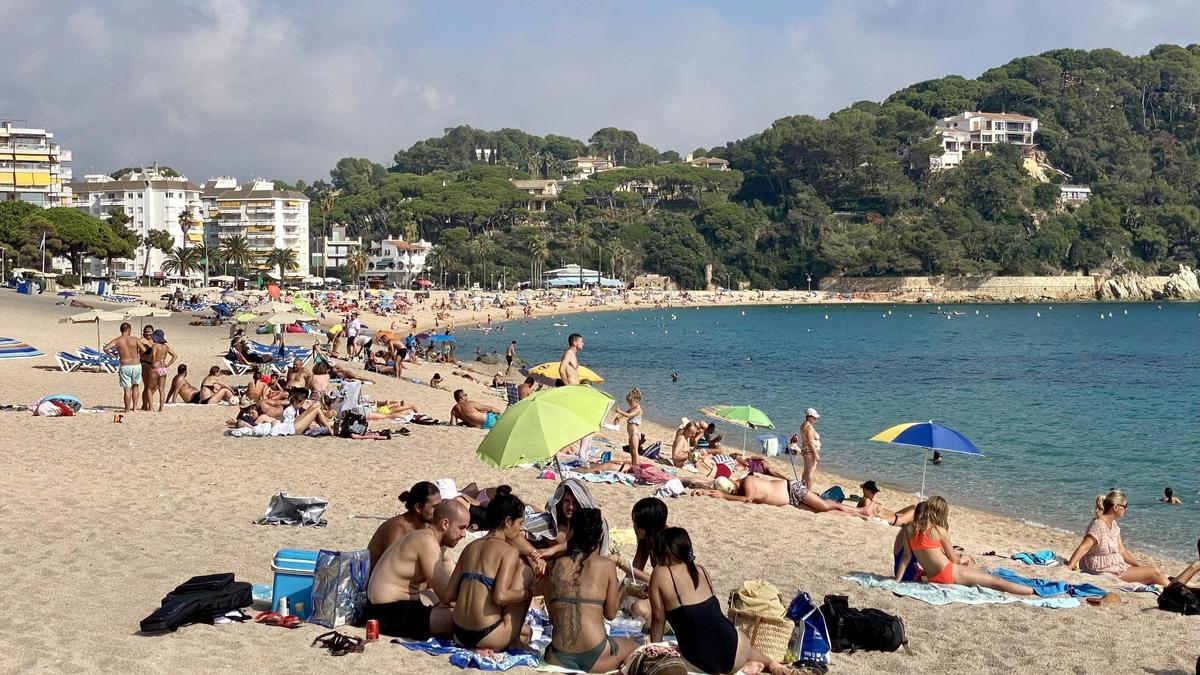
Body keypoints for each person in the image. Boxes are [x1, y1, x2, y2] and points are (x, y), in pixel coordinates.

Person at [648, 528, 788, 675]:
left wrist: (653, 652)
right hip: (738, 649)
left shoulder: (660, 572)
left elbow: (658, 618)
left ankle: (746, 669)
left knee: (674, 656)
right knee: (738, 645)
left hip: (702, 660)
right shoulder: (700, 570)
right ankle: (771, 664)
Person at [539, 508, 637, 672]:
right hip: (597, 654)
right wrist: (624, 590)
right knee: (636, 646)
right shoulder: (606, 566)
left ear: (571, 532)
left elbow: (552, 614)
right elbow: (611, 614)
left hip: (558, 656)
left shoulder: (552, 566)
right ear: (600, 536)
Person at [445, 487, 536, 651]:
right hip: (488, 635)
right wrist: (528, 593)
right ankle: (514, 640)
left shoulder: (470, 547)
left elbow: (449, 596)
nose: (521, 529)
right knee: (526, 572)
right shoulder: (509, 551)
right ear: (508, 522)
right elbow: (501, 597)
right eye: (520, 523)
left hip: (458, 633)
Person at [363, 501, 470, 640]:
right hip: (389, 612)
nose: (464, 534)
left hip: (393, 607)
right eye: (461, 528)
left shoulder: (435, 543)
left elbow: (453, 580)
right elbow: (447, 596)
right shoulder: (426, 541)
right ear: (445, 524)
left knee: (458, 610)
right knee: (465, 621)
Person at [893, 496, 1034, 594]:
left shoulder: (909, 529)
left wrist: (896, 581)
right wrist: (965, 558)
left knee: (983, 578)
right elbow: (954, 561)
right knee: (998, 582)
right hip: (948, 574)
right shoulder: (939, 531)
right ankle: (1035, 591)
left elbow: (906, 556)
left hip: (933, 578)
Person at [1065, 490, 1169, 586]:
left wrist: (1137, 565)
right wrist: (1069, 566)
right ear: (1115, 507)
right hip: (1102, 568)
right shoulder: (1098, 525)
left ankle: (1172, 587)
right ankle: (1173, 590)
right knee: (1154, 572)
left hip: (1114, 566)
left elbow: (1122, 551)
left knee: (1154, 572)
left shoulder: (1113, 524)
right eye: (1125, 506)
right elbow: (1084, 547)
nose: (1126, 509)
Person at [693, 475, 867, 518]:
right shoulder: (739, 487)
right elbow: (720, 490)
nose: (732, 495)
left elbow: (747, 500)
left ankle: (861, 510)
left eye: (731, 492)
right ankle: (856, 514)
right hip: (788, 500)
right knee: (821, 512)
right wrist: (706, 492)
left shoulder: (747, 483)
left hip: (793, 489)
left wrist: (723, 497)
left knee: (825, 505)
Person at [367, 481, 443, 569]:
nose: (439, 511)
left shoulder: (425, 526)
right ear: (418, 507)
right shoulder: (397, 530)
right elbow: (393, 568)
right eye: (435, 507)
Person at [103, 322, 149, 413]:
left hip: (125, 365)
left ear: (121, 330)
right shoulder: (135, 339)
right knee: (136, 386)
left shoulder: (117, 340)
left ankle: (127, 410)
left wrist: (112, 355)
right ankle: (135, 408)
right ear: (129, 330)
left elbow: (105, 348)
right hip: (136, 365)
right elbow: (144, 350)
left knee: (127, 389)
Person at [611, 389, 644, 466]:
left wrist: (619, 411)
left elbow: (629, 415)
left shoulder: (638, 410)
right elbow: (626, 413)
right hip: (630, 433)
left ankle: (637, 466)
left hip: (634, 433)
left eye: (630, 402)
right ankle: (633, 465)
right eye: (628, 402)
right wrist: (618, 417)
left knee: (635, 451)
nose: (629, 404)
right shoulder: (632, 409)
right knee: (631, 451)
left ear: (636, 401)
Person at [799, 408, 821, 488]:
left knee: (806, 471)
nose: (815, 419)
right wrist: (816, 454)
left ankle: (802, 488)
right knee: (811, 471)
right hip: (810, 451)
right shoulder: (809, 427)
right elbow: (811, 442)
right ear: (809, 417)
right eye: (814, 417)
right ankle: (808, 491)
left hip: (805, 450)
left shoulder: (803, 425)